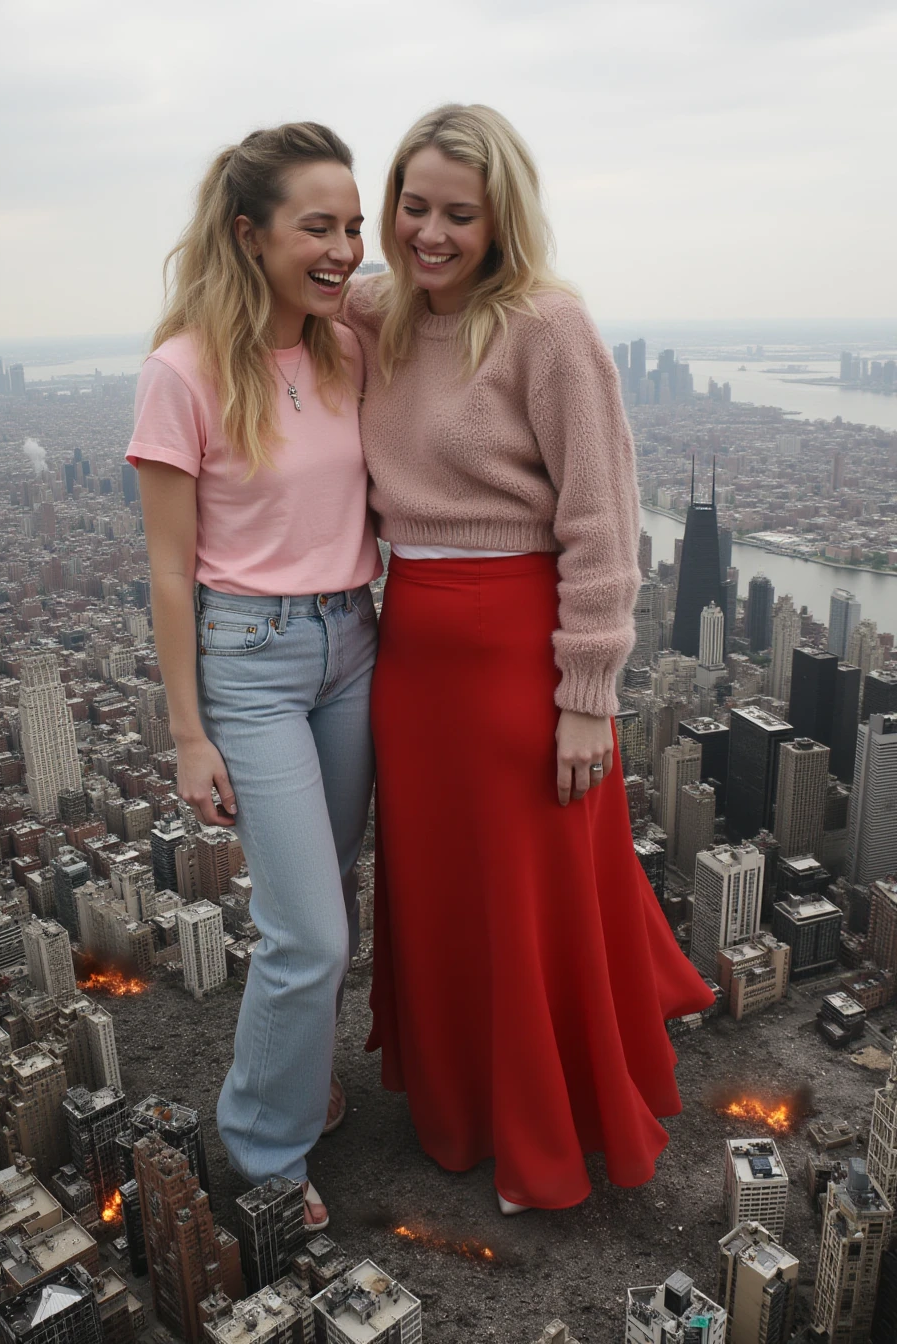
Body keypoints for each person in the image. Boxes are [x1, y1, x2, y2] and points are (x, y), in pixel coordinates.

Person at [343, 103, 715, 1215]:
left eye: (461, 212)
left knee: (527, 891)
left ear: (503, 216)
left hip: (516, 653)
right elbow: (270, 269)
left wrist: (584, 698)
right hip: (408, 654)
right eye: (413, 207)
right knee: (443, 890)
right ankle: (459, 1109)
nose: (432, 233)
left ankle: (548, 1127)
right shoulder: (380, 311)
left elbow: (602, 517)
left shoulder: (547, 327)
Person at [126, 122, 381, 1230]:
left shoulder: (344, 345)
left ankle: (299, 1077)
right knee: (306, 932)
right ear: (249, 235)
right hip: (253, 661)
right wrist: (187, 734)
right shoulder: (180, 372)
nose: (343, 249)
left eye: (353, 226)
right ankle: (265, 1155)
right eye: (316, 227)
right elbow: (170, 573)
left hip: (354, 643)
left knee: (332, 889)